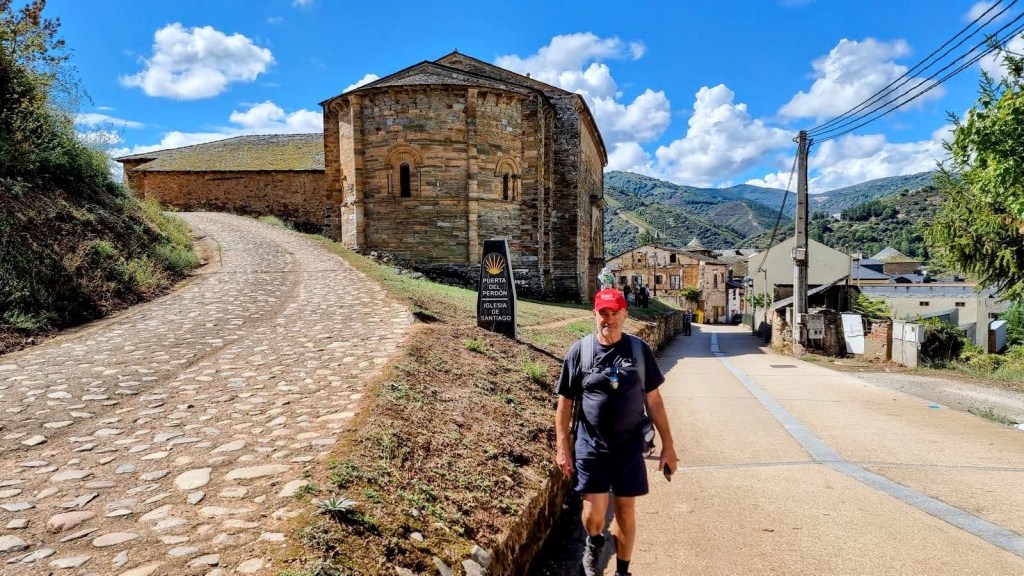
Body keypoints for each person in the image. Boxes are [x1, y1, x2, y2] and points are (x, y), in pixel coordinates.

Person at [554, 288, 678, 576]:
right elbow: (565, 404)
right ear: (594, 314)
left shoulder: (638, 350)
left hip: (629, 447)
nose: (608, 319)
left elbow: (654, 401)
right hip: (591, 446)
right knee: (594, 515)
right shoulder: (580, 351)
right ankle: (595, 541)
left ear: (625, 314)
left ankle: (623, 571)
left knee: (625, 510)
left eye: (614, 313)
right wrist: (563, 448)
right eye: (602, 313)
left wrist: (669, 447)